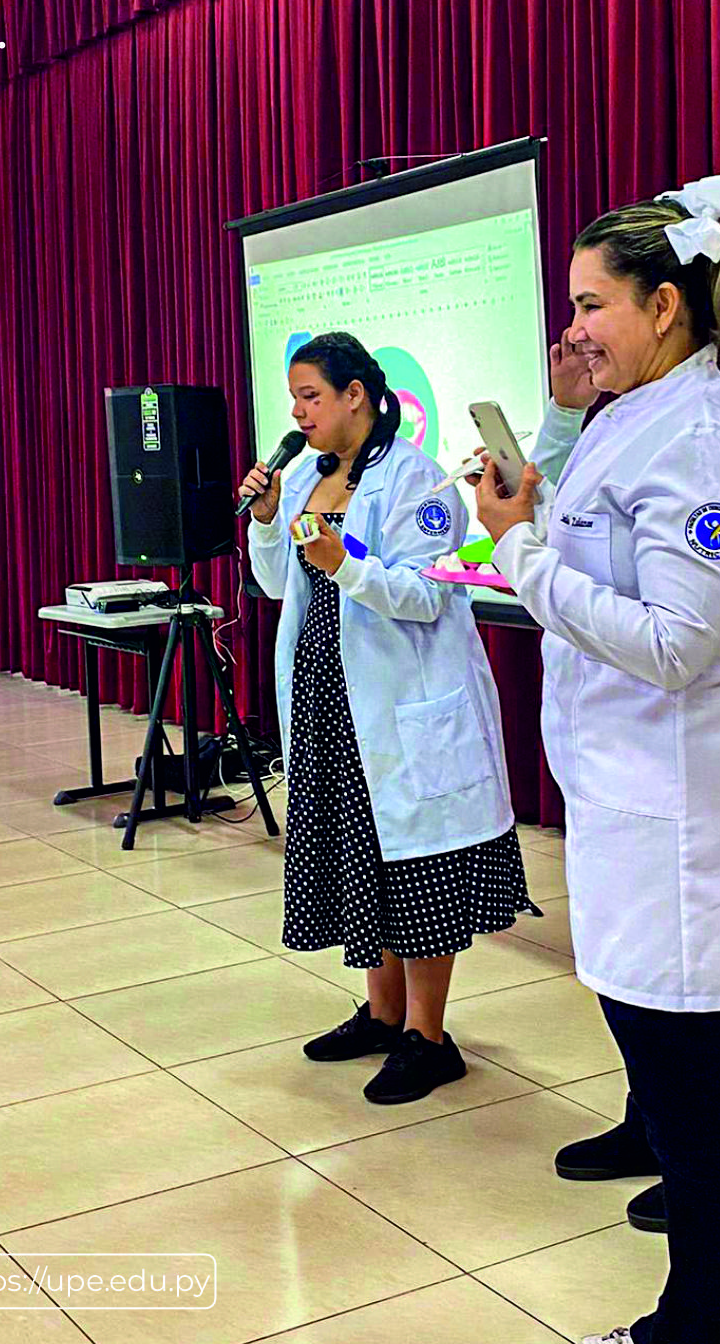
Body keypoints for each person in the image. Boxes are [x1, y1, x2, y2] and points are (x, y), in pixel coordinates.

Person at [474, 172, 720, 1344]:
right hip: (638, 805)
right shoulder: (644, 412)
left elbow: (674, 642)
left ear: (665, 305)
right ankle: (713, 1320)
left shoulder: (710, 437)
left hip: (681, 819)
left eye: (590, 303)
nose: (571, 327)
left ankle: (710, 1332)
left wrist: (520, 556)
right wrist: (542, 495)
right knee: (696, 1103)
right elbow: (608, 544)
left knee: (704, 1113)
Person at [240, 331, 536, 1106]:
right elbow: (277, 583)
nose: (299, 413)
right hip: (326, 695)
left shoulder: (419, 481)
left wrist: (350, 565)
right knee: (358, 853)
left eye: (312, 396)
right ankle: (381, 1011)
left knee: (415, 867)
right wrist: (271, 520)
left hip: (401, 701)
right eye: (294, 399)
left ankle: (428, 1038)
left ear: (356, 398)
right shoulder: (305, 474)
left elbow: (431, 591)